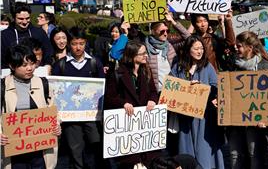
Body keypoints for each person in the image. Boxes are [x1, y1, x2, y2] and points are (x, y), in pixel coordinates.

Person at [0, 44, 61, 169]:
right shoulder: (3, 86)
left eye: (32, 63)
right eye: (24, 65)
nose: (30, 68)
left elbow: (53, 111)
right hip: (14, 152)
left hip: (40, 151)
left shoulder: (43, 83)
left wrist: (56, 126)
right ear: (12, 66)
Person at [52, 27, 104, 169]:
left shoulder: (94, 63)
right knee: (75, 152)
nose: (78, 47)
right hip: (70, 119)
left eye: (81, 43)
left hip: (92, 117)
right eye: (74, 43)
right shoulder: (60, 65)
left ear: (86, 43)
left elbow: (102, 88)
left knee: (96, 148)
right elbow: (55, 92)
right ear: (69, 44)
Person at [170, 35, 224, 169]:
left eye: (201, 48)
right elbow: (170, 87)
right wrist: (187, 88)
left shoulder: (207, 66)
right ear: (188, 49)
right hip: (185, 118)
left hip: (204, 118)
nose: (200, 51)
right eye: (196, 48)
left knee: (204, 152)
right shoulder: (178, 67)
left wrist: (202, 89)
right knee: (187, 151)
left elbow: (216, 87)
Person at [104, 40, 159, 168]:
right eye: (143, 53)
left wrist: (152, 99)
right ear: (132, 56)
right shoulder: (117, 73)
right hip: (127, 128)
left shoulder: (146, 71)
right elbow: (109, 98)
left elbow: (153, 92)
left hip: (145, 127)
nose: (146, 55)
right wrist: (123, 103)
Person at [226, 31, 268, 169]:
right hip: (235, 122)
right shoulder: (233, 65)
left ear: (250, 48)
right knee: (235, 155)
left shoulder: (266, 67)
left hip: (255, 123)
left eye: (239, 46)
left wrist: (266, 118)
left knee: (254, 155)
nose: (236, 48)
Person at [1, 3, 53, 68]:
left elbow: (48, 52)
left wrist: (48, 65)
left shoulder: (39, 32)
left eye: (27, 18)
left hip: (38, 72)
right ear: (13, 18)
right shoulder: (4, 35)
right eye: (21, 19)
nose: (25, 22)